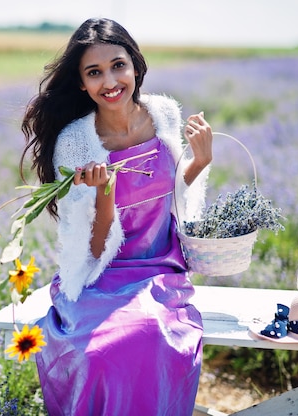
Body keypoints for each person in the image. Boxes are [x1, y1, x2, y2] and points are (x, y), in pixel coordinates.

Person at [19, 18, 213, 415]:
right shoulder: (75, 144)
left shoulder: (163, 115)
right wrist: (103, 194)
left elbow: (174, 191)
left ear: (136, 66)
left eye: (118, 65)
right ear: (81, 84)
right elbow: (90, 248)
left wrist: (201, 161)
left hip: (160, 267)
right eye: (95, 72)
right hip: (102, 275)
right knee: (97, 353)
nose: (110, 81)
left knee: (154, 335)